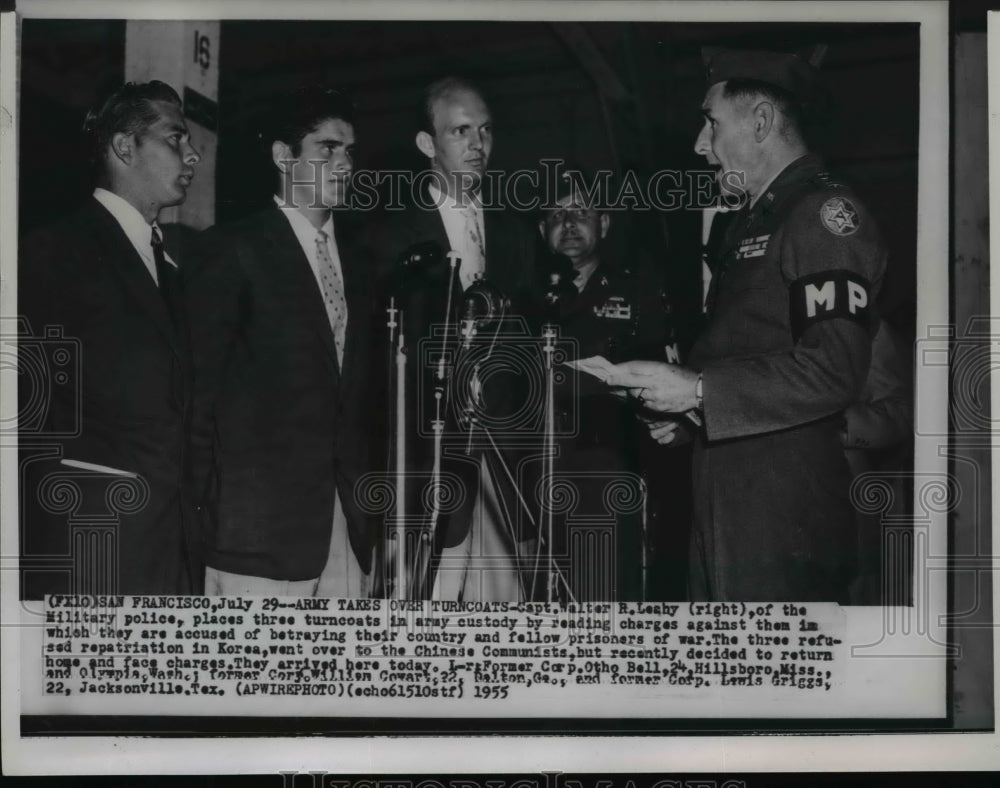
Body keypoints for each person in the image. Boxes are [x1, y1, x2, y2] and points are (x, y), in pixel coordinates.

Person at [609, 50, 888, 602]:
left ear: (760, 122)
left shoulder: (822, 214)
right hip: (730, 497)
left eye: (711, 123)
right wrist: (694, 412)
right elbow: (758, 349)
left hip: (780, 513)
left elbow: (833, 369)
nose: (698, 144)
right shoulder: (757, 221)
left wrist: (698, 388)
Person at [185, 85, 374, 596]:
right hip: (255, 534)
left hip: (346, 527)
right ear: (283, 156)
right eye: (327, 148)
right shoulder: (231, 250)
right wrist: (195, 520)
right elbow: (197, 401)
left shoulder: (364, 262)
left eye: (350, 150)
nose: (345, 163)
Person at [19, 80, 202, 597]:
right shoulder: (55, 250)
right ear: (125, 147)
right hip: (92, 545)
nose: (193, 155)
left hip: (170, 548)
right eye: (175, 139)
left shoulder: (168, 265)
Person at [370, 76, 537, 601]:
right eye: (460, 131)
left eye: (485, 130)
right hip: (426, 468)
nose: (477, 145)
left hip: (505, 469)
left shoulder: (516, 233)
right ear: (428, 144)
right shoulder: (388, 236)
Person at [533, 169, 686, 600]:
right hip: (531, 467)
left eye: (581, 212)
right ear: (541, 228)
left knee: (603, 592)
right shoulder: (522, 294)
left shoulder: (637, 291)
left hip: (606, 465)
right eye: (557, 214)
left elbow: (666, 375)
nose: (569, 224)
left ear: (603, 223)